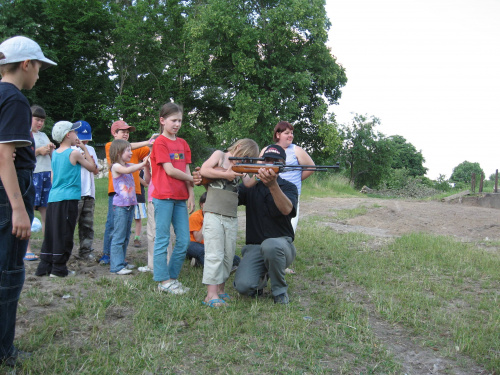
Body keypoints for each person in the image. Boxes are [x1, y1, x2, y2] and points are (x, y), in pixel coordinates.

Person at [0, 35, 56, 367]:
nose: (39, 74)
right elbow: (4, 157)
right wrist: (20, 210)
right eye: (38, 67)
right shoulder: (15, 99)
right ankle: (5, 351)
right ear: (26, 64)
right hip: (9, 196)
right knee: (8, 272)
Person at [233, 145, 298, 305]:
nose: (269, 164)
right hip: (255, 248)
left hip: (281, 246)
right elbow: (230, 198)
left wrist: (273, 186)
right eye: (266, 160)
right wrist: (211, 180)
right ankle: (262, 277)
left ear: (282, 165)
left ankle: (279, 291)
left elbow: (286, 209)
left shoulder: (289, 187)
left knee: (271, 245)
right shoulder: (250, 186)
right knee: (243, 286)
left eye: (275, 161)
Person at [199, 139, 259, 307]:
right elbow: (204, 169)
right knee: (214, 254)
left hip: (231, 216)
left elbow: (247, 183)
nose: (245, 161)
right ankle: (210, 295)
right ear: (238, 147)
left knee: (227, 255)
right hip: (213, 213)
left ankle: (220, 290)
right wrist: (226, 174)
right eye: (245, 157)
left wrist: (261, 175)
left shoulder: (242, 165)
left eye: (249, 159)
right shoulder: (219, 155)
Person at [35, 121, 97, 278]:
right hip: (68, 199)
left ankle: (45, 266)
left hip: (53, 198)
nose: (77, 135)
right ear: (68, 135)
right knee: (65, 234)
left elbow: (52, 176)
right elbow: (92, 167)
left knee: (52, 232)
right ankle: (59, 269)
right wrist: (83, 147)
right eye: (74, 132)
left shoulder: (54, 153)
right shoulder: (74, 153)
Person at [150, 102, 194, 294]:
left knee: (184, 240)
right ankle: (163, 281)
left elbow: (186, 168)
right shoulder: (160, 142)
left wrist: (191, 193)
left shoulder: (183, 144)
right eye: (173, 120)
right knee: (163, 239)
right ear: (162, 120)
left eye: (180, 121)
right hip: (163, 197)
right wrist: (193, 179)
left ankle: (171, 277)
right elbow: (169, 170)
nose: (177, 124)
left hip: (180, 198)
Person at [99, 120, 152, 265]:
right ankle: (107, 254)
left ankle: (120, 257)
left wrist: (155, 143)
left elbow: (149, 151)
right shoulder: (111, 146)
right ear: (114, 133)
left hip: (132, 193)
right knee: (112, 224)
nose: (126, 134)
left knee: (126, 227)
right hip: (116, 193)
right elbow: (135, 149)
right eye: (123, 131)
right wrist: (147, 141)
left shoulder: (133, 149)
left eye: (128, 132)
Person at [264, 121, 315, 232]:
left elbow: (311, 167)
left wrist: (295, 179)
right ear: (278, 135)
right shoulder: (267, 150)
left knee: (289, 228)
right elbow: (259, 169)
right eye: (287, 133)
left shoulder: (296, 150)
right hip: (269, 192)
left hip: (290, 193)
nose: (291, 135)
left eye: (292, 133)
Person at [108, 139, 149, 275]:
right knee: (118, 237)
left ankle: (122, 262)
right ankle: (116, 266)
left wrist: (147, 161)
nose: (131, 153)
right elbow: (130, 169)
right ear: (119, 153)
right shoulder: (116, 167)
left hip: (130, 206)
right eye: (128, 150)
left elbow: (135, 166)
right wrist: (142, 164)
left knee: (125, 236)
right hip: (120, 207)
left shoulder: (127, 164)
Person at [25, 105, 55, 261]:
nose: (40, 123)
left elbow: (51, 155)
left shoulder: (43, 135)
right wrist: (38, 151)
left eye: (42, 120)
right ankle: (27, 248)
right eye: (37, 119)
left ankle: (47, 247)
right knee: (28, 212)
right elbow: (22, 153)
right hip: (32, 175)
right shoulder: (24, 133)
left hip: (45, 176)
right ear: (29, 118)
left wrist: (50, 149)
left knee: (46, 212)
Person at [73, 121, 99, 260]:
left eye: (87, 138)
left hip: (89, 193)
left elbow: (95, 170)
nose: (85, 141)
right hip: (75, 193)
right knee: (70, 224)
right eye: (82, 138)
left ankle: (85, 251)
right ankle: (65, 252)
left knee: (87, 225)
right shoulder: (69, 149)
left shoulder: (91, 149)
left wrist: (86, 151)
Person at [133, 169, 147, 248]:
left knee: (138, 219)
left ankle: (137, 238)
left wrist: (136, 176)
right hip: (126, 196)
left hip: (139, 197)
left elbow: (145, 183)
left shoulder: (142, 169)